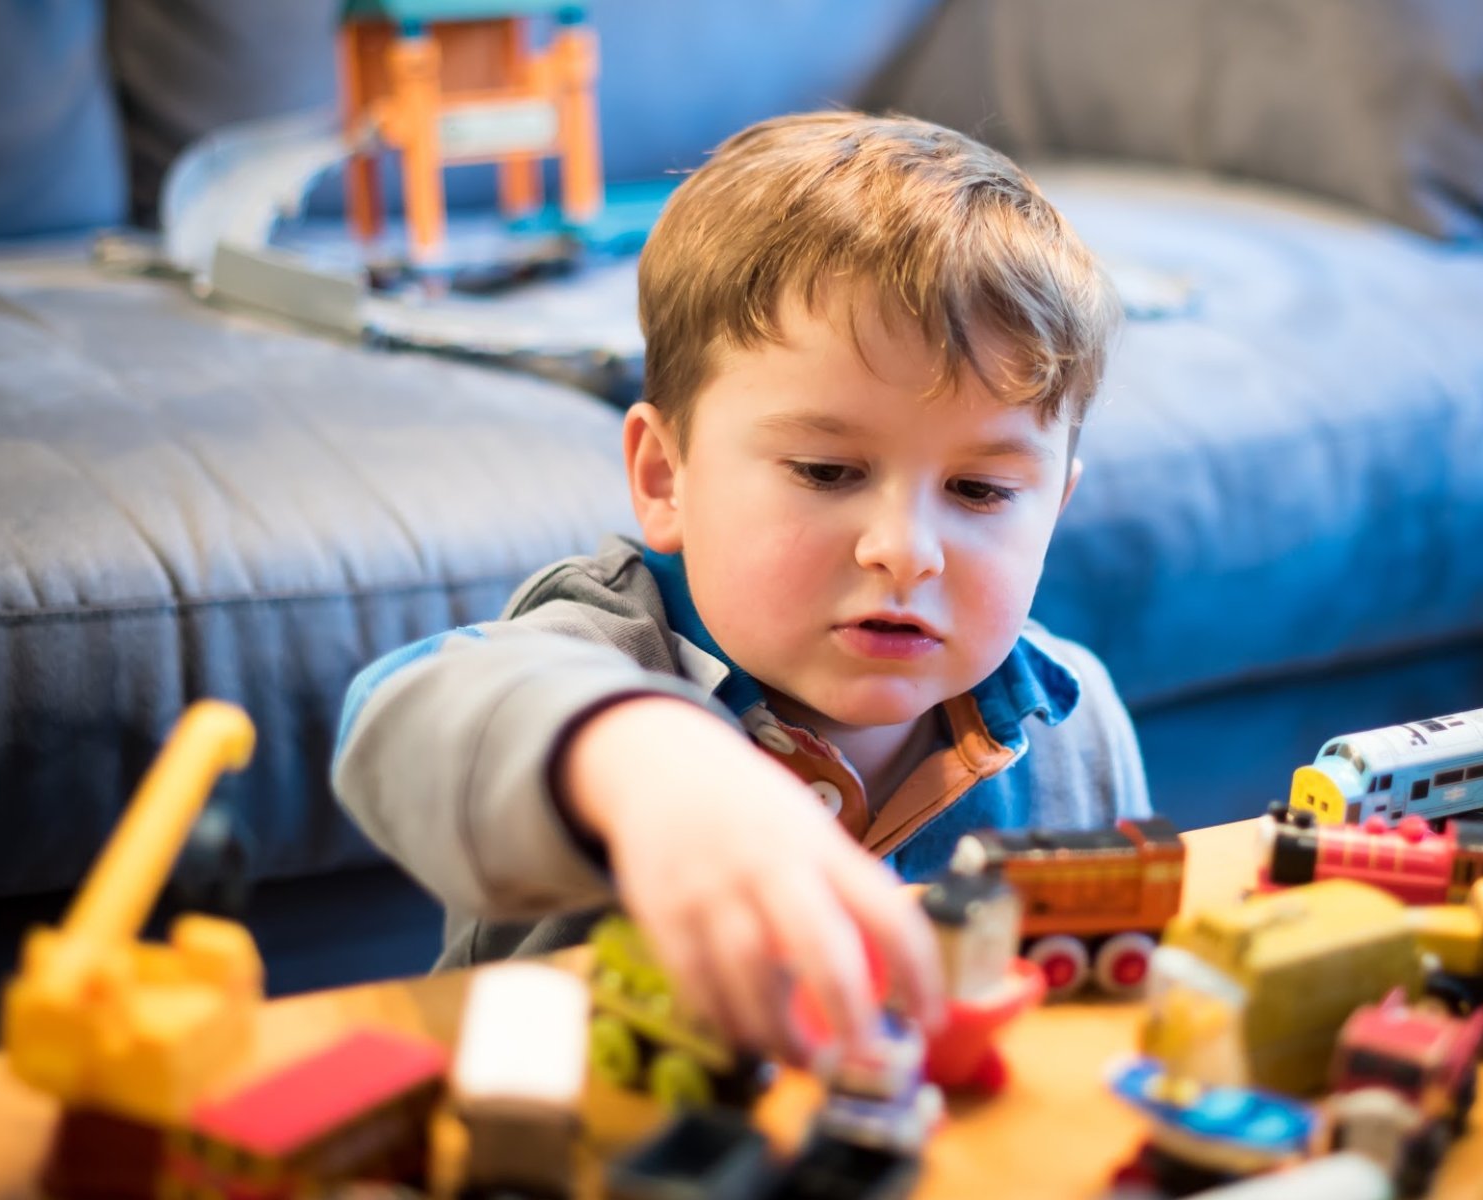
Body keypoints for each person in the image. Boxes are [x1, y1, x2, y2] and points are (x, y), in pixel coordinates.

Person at [333, 110, 1149, 1060]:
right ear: (666, 479)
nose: (904, 550)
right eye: (826, 471)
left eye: (980, 490)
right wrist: (642, 762)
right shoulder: (604, 649)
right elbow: (399, 722)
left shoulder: (1073, 724)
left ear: (1052, 508)